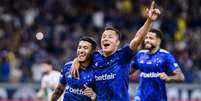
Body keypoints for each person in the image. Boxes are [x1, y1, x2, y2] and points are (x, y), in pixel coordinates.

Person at [71, 1, 161, 101]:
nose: (106, 39)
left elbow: (137, 39)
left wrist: (149, 21)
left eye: (110, 37)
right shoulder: (95, 57)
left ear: (117, 43)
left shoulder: (122, 56)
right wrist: (76, 61)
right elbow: (83, 57)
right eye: (104, 37)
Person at [131, 29, 185, 101]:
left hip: (158, 97)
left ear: (158, 41)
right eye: (146, 38)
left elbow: (181, 77)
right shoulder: (140, 54)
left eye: (151, 38)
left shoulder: (165, 55)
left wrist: (169, 78)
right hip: (141, 96)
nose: (147, 40)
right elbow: (129, 71)